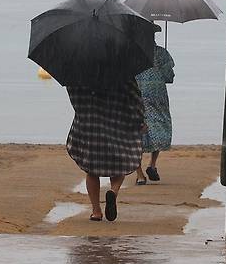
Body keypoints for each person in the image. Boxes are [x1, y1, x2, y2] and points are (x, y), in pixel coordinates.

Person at [66, 79, 145, 221]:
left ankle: (96, 211)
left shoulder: (79, 72)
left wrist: (82, 111)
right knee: (120, 162)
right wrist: (139, 120)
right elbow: (134, 97)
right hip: (117, 121)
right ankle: (112, 192)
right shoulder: (122, 71)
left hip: (89, 122)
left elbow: (73, 94)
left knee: (91, 169)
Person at [134, 35, 175, 185]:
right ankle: (152, 164)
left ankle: (139, 175)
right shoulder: (161, 53)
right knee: (158, 125)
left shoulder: (133, 53)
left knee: (136, 131)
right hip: (158, 95)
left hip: (137, 93)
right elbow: (169, 76)